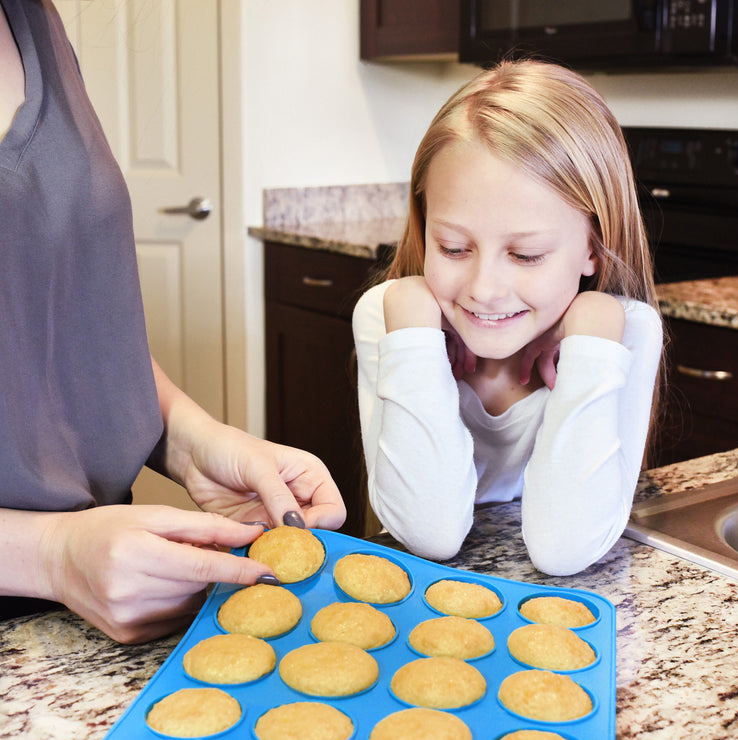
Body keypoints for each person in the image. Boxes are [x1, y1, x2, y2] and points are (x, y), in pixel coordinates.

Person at [0, 0, 345, 644]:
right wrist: (48, 554)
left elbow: (57, 330)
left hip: (93, 613)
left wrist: (190, 440)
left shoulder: (35, 22)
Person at [353, 60, 664, 577]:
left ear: (593, 246)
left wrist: (593, 331)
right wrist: (411, 328)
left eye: (525, 255)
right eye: (453, 248)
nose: (484, 290)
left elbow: (565, 549)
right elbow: (428, 534)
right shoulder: (390, 317)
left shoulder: (624, 330)